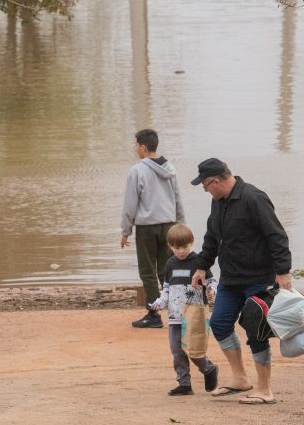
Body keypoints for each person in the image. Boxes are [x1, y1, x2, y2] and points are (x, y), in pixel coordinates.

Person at [189, 158, 292, 406]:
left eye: (205, 186)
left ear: (215, 181)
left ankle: (264, 389)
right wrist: (202, 265)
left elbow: (277, 236)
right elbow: (212, 236)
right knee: (220, 323)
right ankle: (240, 379)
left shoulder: (254, 198)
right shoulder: (218, 202)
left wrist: (283, 272)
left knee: (256, 331)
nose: (205, 191)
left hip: (258, 279)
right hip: (231, 279)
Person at [121, 128, 185, 329]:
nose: (135, 150)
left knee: (148, 271)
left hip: (147, 228)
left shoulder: (137, 170)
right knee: (167, 270)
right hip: (169, 225)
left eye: (136, 146)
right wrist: (181, 225)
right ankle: (176, 312)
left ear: (143, 147)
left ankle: (154, 314)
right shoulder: (170, 168)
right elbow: (177, 198)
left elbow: (130, 204)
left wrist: (125, 230)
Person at [148, 223, 220, 396]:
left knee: (194, 351)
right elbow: (167, 289)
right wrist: (160, 303)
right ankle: (184, 384)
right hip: (175, 317)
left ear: (191, 243)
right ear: (170, 246)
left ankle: (209, 368)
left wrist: (212, 290)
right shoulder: (170, 264)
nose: (181, 251)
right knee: (177, 351)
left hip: (194, 315)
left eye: (185, 247)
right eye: (177, 247)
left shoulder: (199, 261)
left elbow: (212, 282)